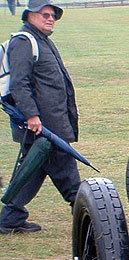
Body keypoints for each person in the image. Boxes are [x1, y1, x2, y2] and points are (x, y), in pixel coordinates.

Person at [0, 0, 79, 234]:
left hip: (49, 123)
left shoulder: (42, 40)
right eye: (44, 14)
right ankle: (92, 214)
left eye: (53, 15)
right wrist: (32, 116)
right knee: (71, 180)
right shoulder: (24, 42)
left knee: (33, 170)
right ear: (29, 16)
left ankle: (10, 218)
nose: (50, 18)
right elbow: (20, 85)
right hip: (43, 127)